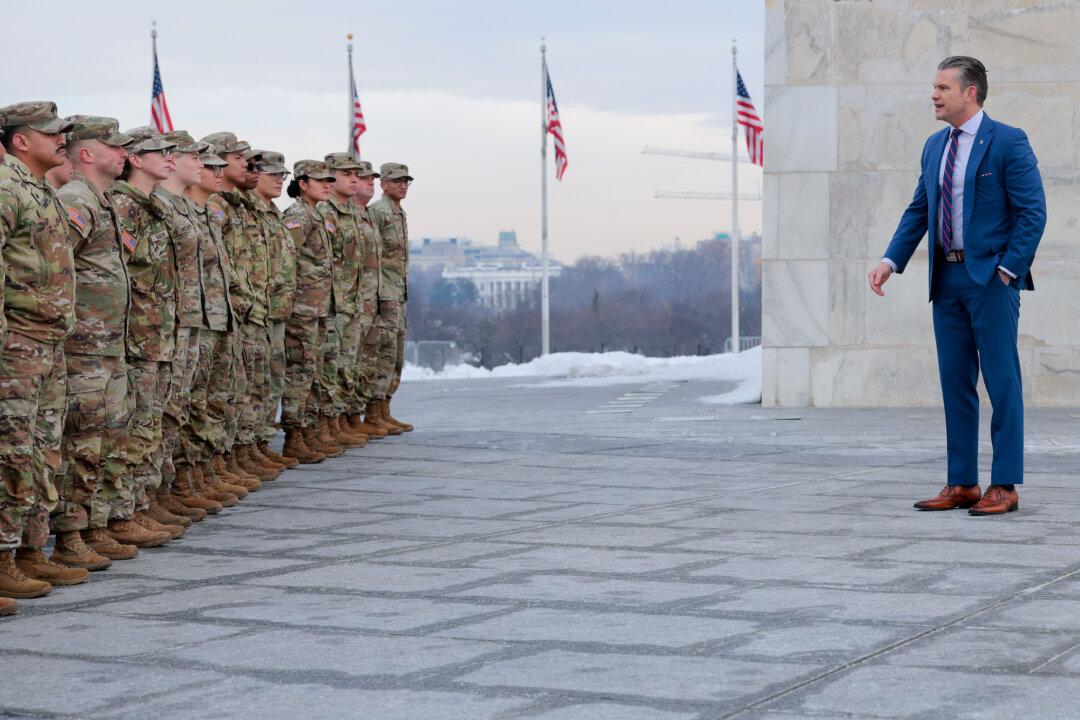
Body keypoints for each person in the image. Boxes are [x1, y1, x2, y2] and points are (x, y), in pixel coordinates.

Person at [868, 56, 1047, 515]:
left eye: (943, 88)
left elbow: (1032, 213)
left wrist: (1008, 270)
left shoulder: (1008, 141)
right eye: (934, 87)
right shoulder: (934, 146)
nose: (934, 95)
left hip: (990, 279)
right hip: (944, 279)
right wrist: (891, 260)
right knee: (955, 382)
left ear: (970, 93)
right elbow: (918, 209)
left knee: (1002, 381)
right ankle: (962, 482)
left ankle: (1004, 484)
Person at [0, 102, 80, 608]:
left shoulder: (39, 190)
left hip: (47, 340)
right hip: (18, 343)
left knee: (42, 446)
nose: (61, 141)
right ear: (20, 140)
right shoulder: (7, 188)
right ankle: (3, 557)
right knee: (11, 448)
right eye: (50, 133)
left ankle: (30, 548)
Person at [54, 116, 137, 568]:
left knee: (109, 438)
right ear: (87, 153)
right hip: (84, 346)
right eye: (114, 147)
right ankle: (69, 536)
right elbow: (54, 266)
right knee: (82, 442)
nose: (123, 153)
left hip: (108, 343)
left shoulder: (99, 200)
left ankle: (96, 524)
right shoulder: (75, 201)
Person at [108, 129, 179, 549]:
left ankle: (139, 505)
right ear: (135, 159)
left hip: (157, 330)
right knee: (131, 427)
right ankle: (121, 515)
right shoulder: (122, 205)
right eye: (159, 152)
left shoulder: (151, 206)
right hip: (133, 334)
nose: (168, 158)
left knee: (150, 422)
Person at [201, 132, 277, 486]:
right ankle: (214, 465)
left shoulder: (238, 204)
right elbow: (222, 264)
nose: (247, 164)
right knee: (219, 393)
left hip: (247, 310)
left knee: (242, 388)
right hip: (228, 311)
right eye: (237, 157)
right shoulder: (216, 204)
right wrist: (244, 301)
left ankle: (239, 453)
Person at [179, 149, 233, 516]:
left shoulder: (210, 211)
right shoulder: (177, 209)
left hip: (211, 315)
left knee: (209, 398)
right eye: (208, 165)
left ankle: (201, 471)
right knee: (183, 404)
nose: (213, 171)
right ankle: (181, 481)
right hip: (183, 319)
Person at [281, 160, 340, 462]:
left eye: (330, 180)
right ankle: (295, 436)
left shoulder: (316, 215)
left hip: (318, 306)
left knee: (313, 369)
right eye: (321, 181)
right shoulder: (297, 216)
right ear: (302, 184)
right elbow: (286, 261)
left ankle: (310, 430)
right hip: (302, 308)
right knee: (300, 369)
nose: (328, 185)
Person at [252, 150, 300, 468]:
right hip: (256, 311)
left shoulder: (273, 214)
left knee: (272, 378)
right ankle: (250, 447)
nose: (280, 180)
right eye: (273, 174)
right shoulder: (248, 213)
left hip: (277, 310)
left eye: (282, 175)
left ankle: (261, 445)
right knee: (253, 381)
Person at [320, 153, 370, 448]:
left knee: (347, 363)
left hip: (350, 301)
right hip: (332, 303)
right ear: (330, 176)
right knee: (330, 366)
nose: (354, 179)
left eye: (356, 174)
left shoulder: (351, 211)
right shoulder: (326, 211)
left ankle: (340, 421)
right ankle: (328, 424)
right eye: (346, 173)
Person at [367, 163, 414, 433]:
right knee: (383, 352)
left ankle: (384, 407)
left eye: (406, 181)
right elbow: (373, 256)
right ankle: (373, 411)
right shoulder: (379, 212)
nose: (402, 185)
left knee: (395, 353)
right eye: (397, 181)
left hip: (397, 293)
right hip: (384, 295)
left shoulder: (398, 212)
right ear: (383, 184)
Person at [348, 161, 388, 440]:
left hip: (369, 299)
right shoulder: (341, 215)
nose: (367, 183)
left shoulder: (367, 216)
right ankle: (344, 420)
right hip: (346, 302)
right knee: (345, 362)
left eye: (371, 178)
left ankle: (368, 413)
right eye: (362, 178)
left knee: (368, 358)